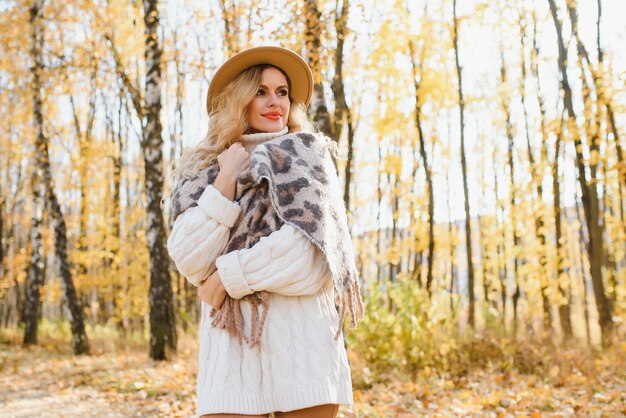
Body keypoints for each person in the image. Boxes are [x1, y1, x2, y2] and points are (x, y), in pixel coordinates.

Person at [166, 46, 362, 418]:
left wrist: (228, 275)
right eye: (261, 91)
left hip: (304, 349)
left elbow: (311, 258)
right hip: (231, 356)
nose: (275, 102)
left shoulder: (310, 160)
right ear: (239, 100)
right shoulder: (203, 169)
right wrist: (226, 179)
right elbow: (190, 259)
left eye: (282, 92)